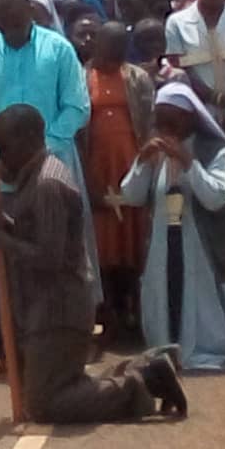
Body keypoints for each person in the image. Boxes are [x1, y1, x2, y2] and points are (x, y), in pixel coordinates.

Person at [0, 104, 187, 422]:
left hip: (58, 310)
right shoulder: (35, 178)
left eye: (4, 148)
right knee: (50, 389)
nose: (0, 157)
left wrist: (0, 237)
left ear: (25, 142)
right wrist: (0, 222)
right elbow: (35, 236)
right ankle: (145, 370)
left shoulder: (48, 184)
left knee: (45, 405)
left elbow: (49, 258)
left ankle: (141, 383)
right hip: (45, 308)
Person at [0, 0, 101, 302]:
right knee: (8, 253)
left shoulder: (59, 48)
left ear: (29, 7)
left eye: (14, 9)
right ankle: (17, 338)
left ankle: (74, 327)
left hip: (51, 167)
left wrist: (38, 154)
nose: (9, 18)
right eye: (1, 13)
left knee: (63, 249)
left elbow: (77, 107)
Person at [121, 83, 225, 371]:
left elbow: (215, 197)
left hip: (200, 246)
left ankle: (213, 343)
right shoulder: (156, 147)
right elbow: (131, 195)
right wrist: (142, 162)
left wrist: (187, 161)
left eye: (173, 120)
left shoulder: (212, 149)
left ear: (190, 117)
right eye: (161, 120)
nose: (166, 127)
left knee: (203, 305)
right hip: (163, 242)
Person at [82, 21, 154, 340]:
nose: (112, 57)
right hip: (98, 169)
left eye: (118, 51)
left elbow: (149, 123)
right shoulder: (81, 78)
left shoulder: (137, 78)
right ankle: (109, 315)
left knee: (135, 245)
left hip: (132, 166)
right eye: (107, 49)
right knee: (104, 247)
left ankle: (135, 314)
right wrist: (88, 181)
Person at [133, 18, 187, 90]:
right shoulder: (130, 76)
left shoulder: (177, 76)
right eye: (148, 40)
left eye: (159, 39)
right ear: (136, 43)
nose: (155, 45)